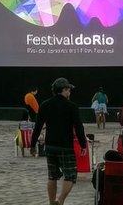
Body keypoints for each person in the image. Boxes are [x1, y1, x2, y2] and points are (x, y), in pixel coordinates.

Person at [29, 77, 87, 205]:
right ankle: (60, 201)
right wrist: (83, 144)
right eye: (69, 90)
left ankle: (51, 202)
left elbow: (37, 127)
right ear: (64, 90)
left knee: (52, 176)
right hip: (65, 146)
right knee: (71, 175)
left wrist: (32, 145)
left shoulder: (45, 105)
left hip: (50, 146)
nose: (70, 93)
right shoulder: (71, 106)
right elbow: (78, 127)